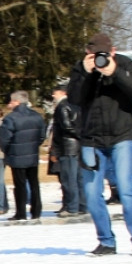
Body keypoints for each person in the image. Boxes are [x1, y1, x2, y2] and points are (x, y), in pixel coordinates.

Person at [67, 32, 132, 255]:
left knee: (126, 188)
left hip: (121, 135)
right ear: (87, 53)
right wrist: (85, 73)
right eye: (95, 55)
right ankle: (106, 241)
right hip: (91, 139)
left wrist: (115, 72)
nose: (100, 58)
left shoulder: (124, 63)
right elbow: (74, 99)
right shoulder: (81, 68)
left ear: (113, 52)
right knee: (92, 193)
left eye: (105, 54)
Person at [0, 90, 46, 221]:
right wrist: (33, 145)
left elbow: (4, 139)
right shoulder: (37, 116)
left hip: (16, 155)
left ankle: (21, 212)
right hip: (32, 154)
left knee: (19, 185)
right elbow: (42, 135)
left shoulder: (10, 118)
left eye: (11, 101)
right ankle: (36, 211)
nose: (9, 104)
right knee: (34, 183)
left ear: (16, 102)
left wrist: (7, 150)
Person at [49, 83, 86, 218]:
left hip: (67, 147)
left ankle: (72, 207)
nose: (53, 95)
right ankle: (83, 205)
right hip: (77, 147)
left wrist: (56, 149)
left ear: (63, 93)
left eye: (55, 92)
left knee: (68, 179)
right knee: (78, 178)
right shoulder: (76, 105)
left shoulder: (62, 106)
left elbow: (66, 127)